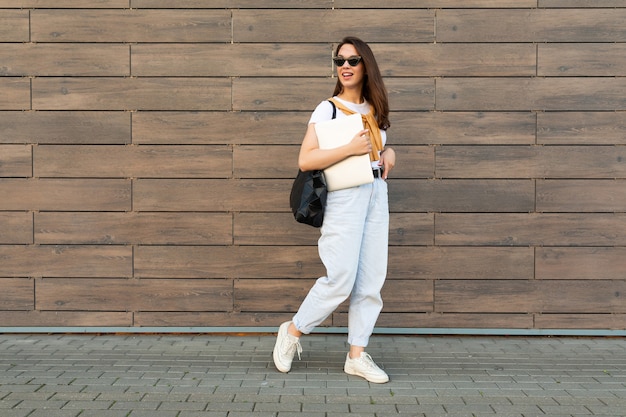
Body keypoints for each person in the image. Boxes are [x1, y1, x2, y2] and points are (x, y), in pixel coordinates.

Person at [273, 36, 396, 383]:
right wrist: (347, 147)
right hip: (345, 197)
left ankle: (357, 355)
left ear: (366, 65)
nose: (345, 66)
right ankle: (293, 331)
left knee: (371, 281)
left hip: (375, 194)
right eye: (340, 60)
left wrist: (389, 155)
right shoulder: (327, 108)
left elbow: (383, 148)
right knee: (340, 278)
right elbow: (306, 158)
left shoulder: (374, 109)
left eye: (353, 60)